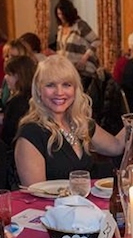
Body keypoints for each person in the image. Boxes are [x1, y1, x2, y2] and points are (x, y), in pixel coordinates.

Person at [14, 55, 125, 185]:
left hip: (85, 204)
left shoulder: (81, 124)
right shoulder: (30, 134)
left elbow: (117, 146)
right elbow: (36, 194)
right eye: (51, 85)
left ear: (75, 89)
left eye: (66, 85)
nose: (59, 92)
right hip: (49, 206)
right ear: (39, 90)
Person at [54, 0, 100, 82]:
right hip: (68, 70)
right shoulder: (60, 30)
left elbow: (96, 41)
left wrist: (85, 57)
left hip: (83, 70)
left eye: (62, 14)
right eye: (58, 14)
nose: (61, 17)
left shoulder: (80, 25)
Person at [1, 54, 37, 147]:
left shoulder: (17, 103)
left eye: (9, 74)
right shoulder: (35, 97)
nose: (5, 77)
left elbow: (7, 136)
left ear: (18, 76)